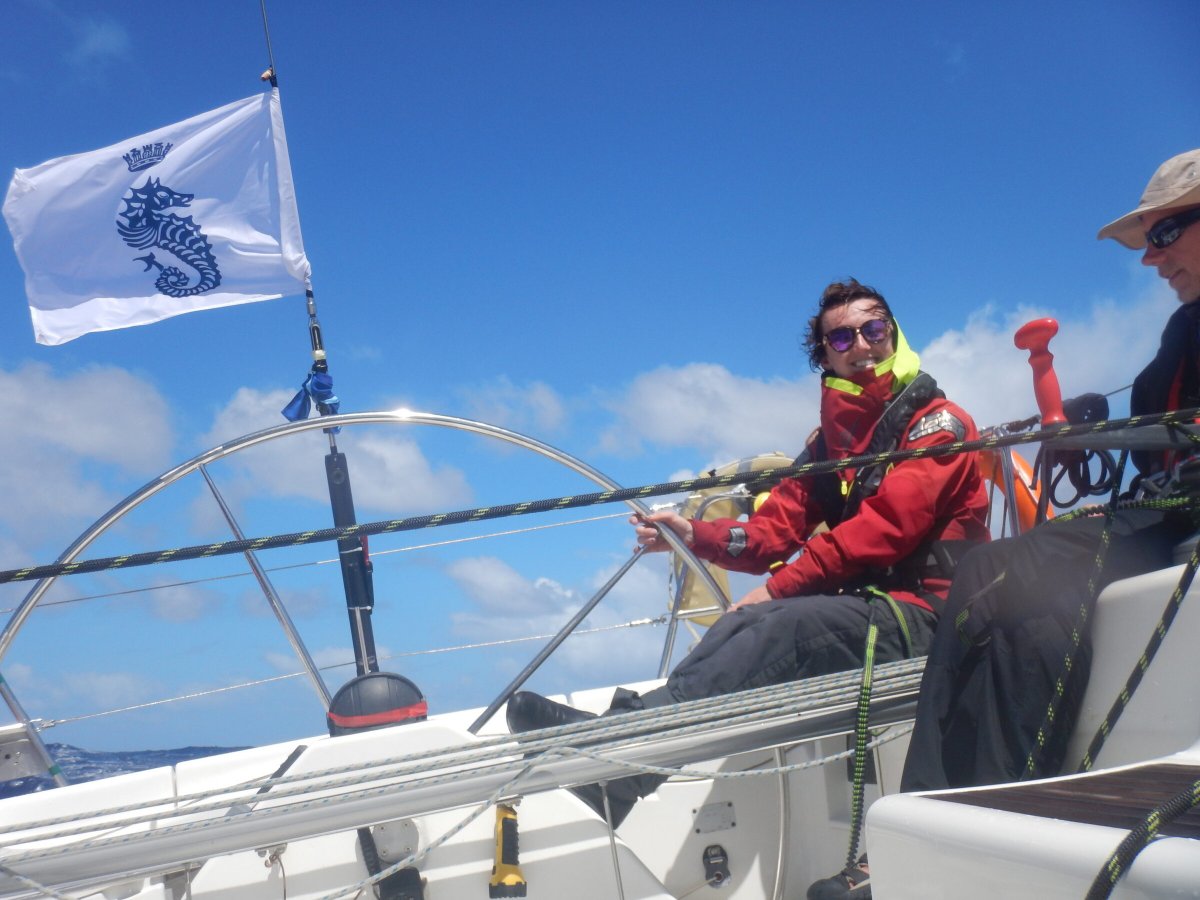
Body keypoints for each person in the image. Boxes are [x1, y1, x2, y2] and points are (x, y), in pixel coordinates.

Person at [506, 278, 991, 844]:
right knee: (743, 620)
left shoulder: (939, 425)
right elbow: (769, 532)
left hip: (931, 616)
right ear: (826, 355)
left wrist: (780, 590)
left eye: (874, 328)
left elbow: (881, 533)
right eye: (841, 337)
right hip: (870, 610)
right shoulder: (828, 448)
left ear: (893, 334)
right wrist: (695, 534)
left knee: (785, 626)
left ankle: (619, 755)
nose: (861, 343)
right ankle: (619, 765)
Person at [900, 148, 1200, 797]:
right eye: (1147, 242)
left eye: (1165, 235)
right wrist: (1097, 435)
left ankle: (1004, 801)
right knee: (988, 570)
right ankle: (933, 802)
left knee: (1027, 576)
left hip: (1176, 518)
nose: (1151, 257)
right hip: (1153, 512)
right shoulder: (1186, 327)